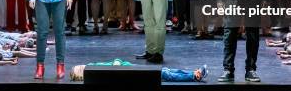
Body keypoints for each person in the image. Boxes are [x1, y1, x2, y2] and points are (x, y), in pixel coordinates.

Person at [69, 59, 208, 82]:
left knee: (164, 70)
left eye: (80, 66)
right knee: (164, 74)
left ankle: (192, 73)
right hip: (130, 74)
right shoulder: (94, 75)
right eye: (80, 70)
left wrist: (116, 64)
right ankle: (193, 76)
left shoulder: (93, 65)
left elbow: (114, 62)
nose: (83, 67)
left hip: (128, 67)